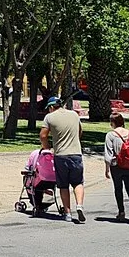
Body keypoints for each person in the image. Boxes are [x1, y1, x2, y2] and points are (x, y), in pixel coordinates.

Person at [40, 95, 85, 223]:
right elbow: (80, 131)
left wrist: (47, 147)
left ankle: (68, 213)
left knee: (63, 185)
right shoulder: (74, 115)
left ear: (51, 107)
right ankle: (80, 205)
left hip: (60, 155)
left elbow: (43, 135)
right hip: (76, 154)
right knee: (78, 182)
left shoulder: (49, 117)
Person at [103, 112, 129, 226]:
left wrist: (107, 169)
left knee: (118, 189)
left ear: (113, 123)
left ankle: (121, 212)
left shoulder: (111, 135)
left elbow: (108, 155)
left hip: (117, 166)